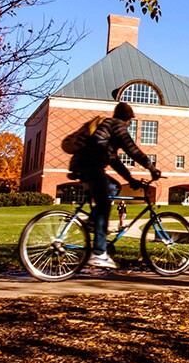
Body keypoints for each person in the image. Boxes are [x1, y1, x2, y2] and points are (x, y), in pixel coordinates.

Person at [60, 101, 161, 270]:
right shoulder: (117, 125)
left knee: (113, 187)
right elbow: (132, 150)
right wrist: (151, 167)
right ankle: (99, 253)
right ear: (128, 118)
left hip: (84, 165)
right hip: (90, 166)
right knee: (104, 207)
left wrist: (130, 180)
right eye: (130, 121)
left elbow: (114, 160)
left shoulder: (107, 130)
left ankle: (93, 221)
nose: (129, 124)